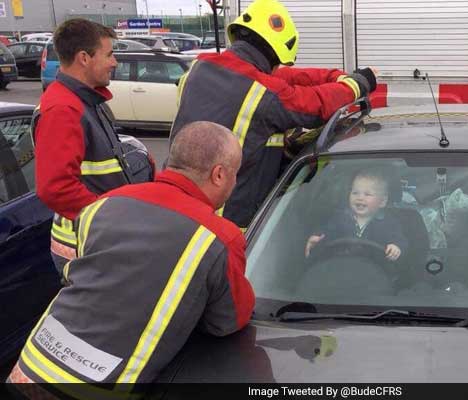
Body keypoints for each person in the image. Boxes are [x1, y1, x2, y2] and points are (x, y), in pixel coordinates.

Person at [7, 122, 254, 394]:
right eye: (235, 174)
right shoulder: (217, 237)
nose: (235, 182)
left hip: (28, 369)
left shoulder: (105, 203)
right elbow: (225, 321)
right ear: (219, 175)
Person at [170, 0, 378, 230]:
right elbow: (317, 105)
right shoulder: (262, 94)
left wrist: (335, 76)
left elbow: (283, 78)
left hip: (177, 207)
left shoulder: (198, 70)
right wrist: (359, 83)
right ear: (274, 51)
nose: (278, 69)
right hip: (225, 221)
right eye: (277, 63)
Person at [32, 19, 154, 276]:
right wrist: (112, 219)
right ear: (84, 58)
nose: (115, 62)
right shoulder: (63, 110)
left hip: (98, 240)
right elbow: (55, 188)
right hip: (86, 247)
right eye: (109, 54)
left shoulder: (84, 101)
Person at [305, 169, 407, 261]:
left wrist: (396, 247)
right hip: (342, 267)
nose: (360, 198)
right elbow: (326, 231)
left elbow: (399, 239)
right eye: (355, 193)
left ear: (382, 201)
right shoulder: (339, 218)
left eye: (367, 194)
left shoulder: (389, 223)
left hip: (375, 272)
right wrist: (317, 237)